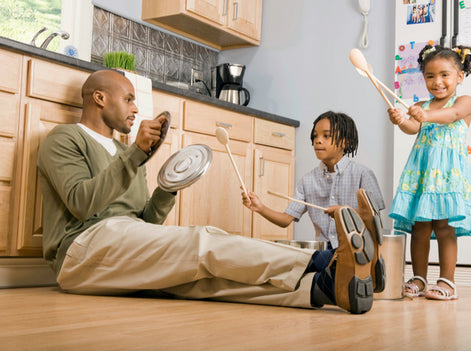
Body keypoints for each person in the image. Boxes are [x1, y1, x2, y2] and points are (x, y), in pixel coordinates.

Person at [36, 69, 380, 314]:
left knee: (205, 281)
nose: (136, 108)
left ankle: (324, 288)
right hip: (80, 253)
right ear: (99, 98)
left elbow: (144, 223)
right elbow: (82, 205)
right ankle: (325, 261)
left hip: (121, 244)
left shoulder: (129, 154)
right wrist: (136, 155)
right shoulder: (64, 139)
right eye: (128, 99)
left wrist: (167, 189)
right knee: (201, 242)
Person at [241, 111, 386, 292]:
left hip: (355, 249)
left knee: (306, 265)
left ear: (346, 142)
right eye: (315, 136)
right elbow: (286, 220)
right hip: (324, 252)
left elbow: (375, 220)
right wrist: (260, 207)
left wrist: (345, 213)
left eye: (326, 136)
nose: (318, 141)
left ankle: (336, 278)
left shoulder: (363, 174)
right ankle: (341, 283)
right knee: (296, 258)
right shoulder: (307, 180)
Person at [387, 44, 471, 301]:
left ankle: (448, 281)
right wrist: (401, 120)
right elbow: (413, 127)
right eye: (430, 76)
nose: (437, 81)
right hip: (423, 174)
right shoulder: (423, 105)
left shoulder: (464, 102)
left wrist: (425, 114)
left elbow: (451, 115)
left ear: (460, 76)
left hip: (447, 175)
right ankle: (419, 278)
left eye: (445, 74)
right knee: (419, 227)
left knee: (444, 228)